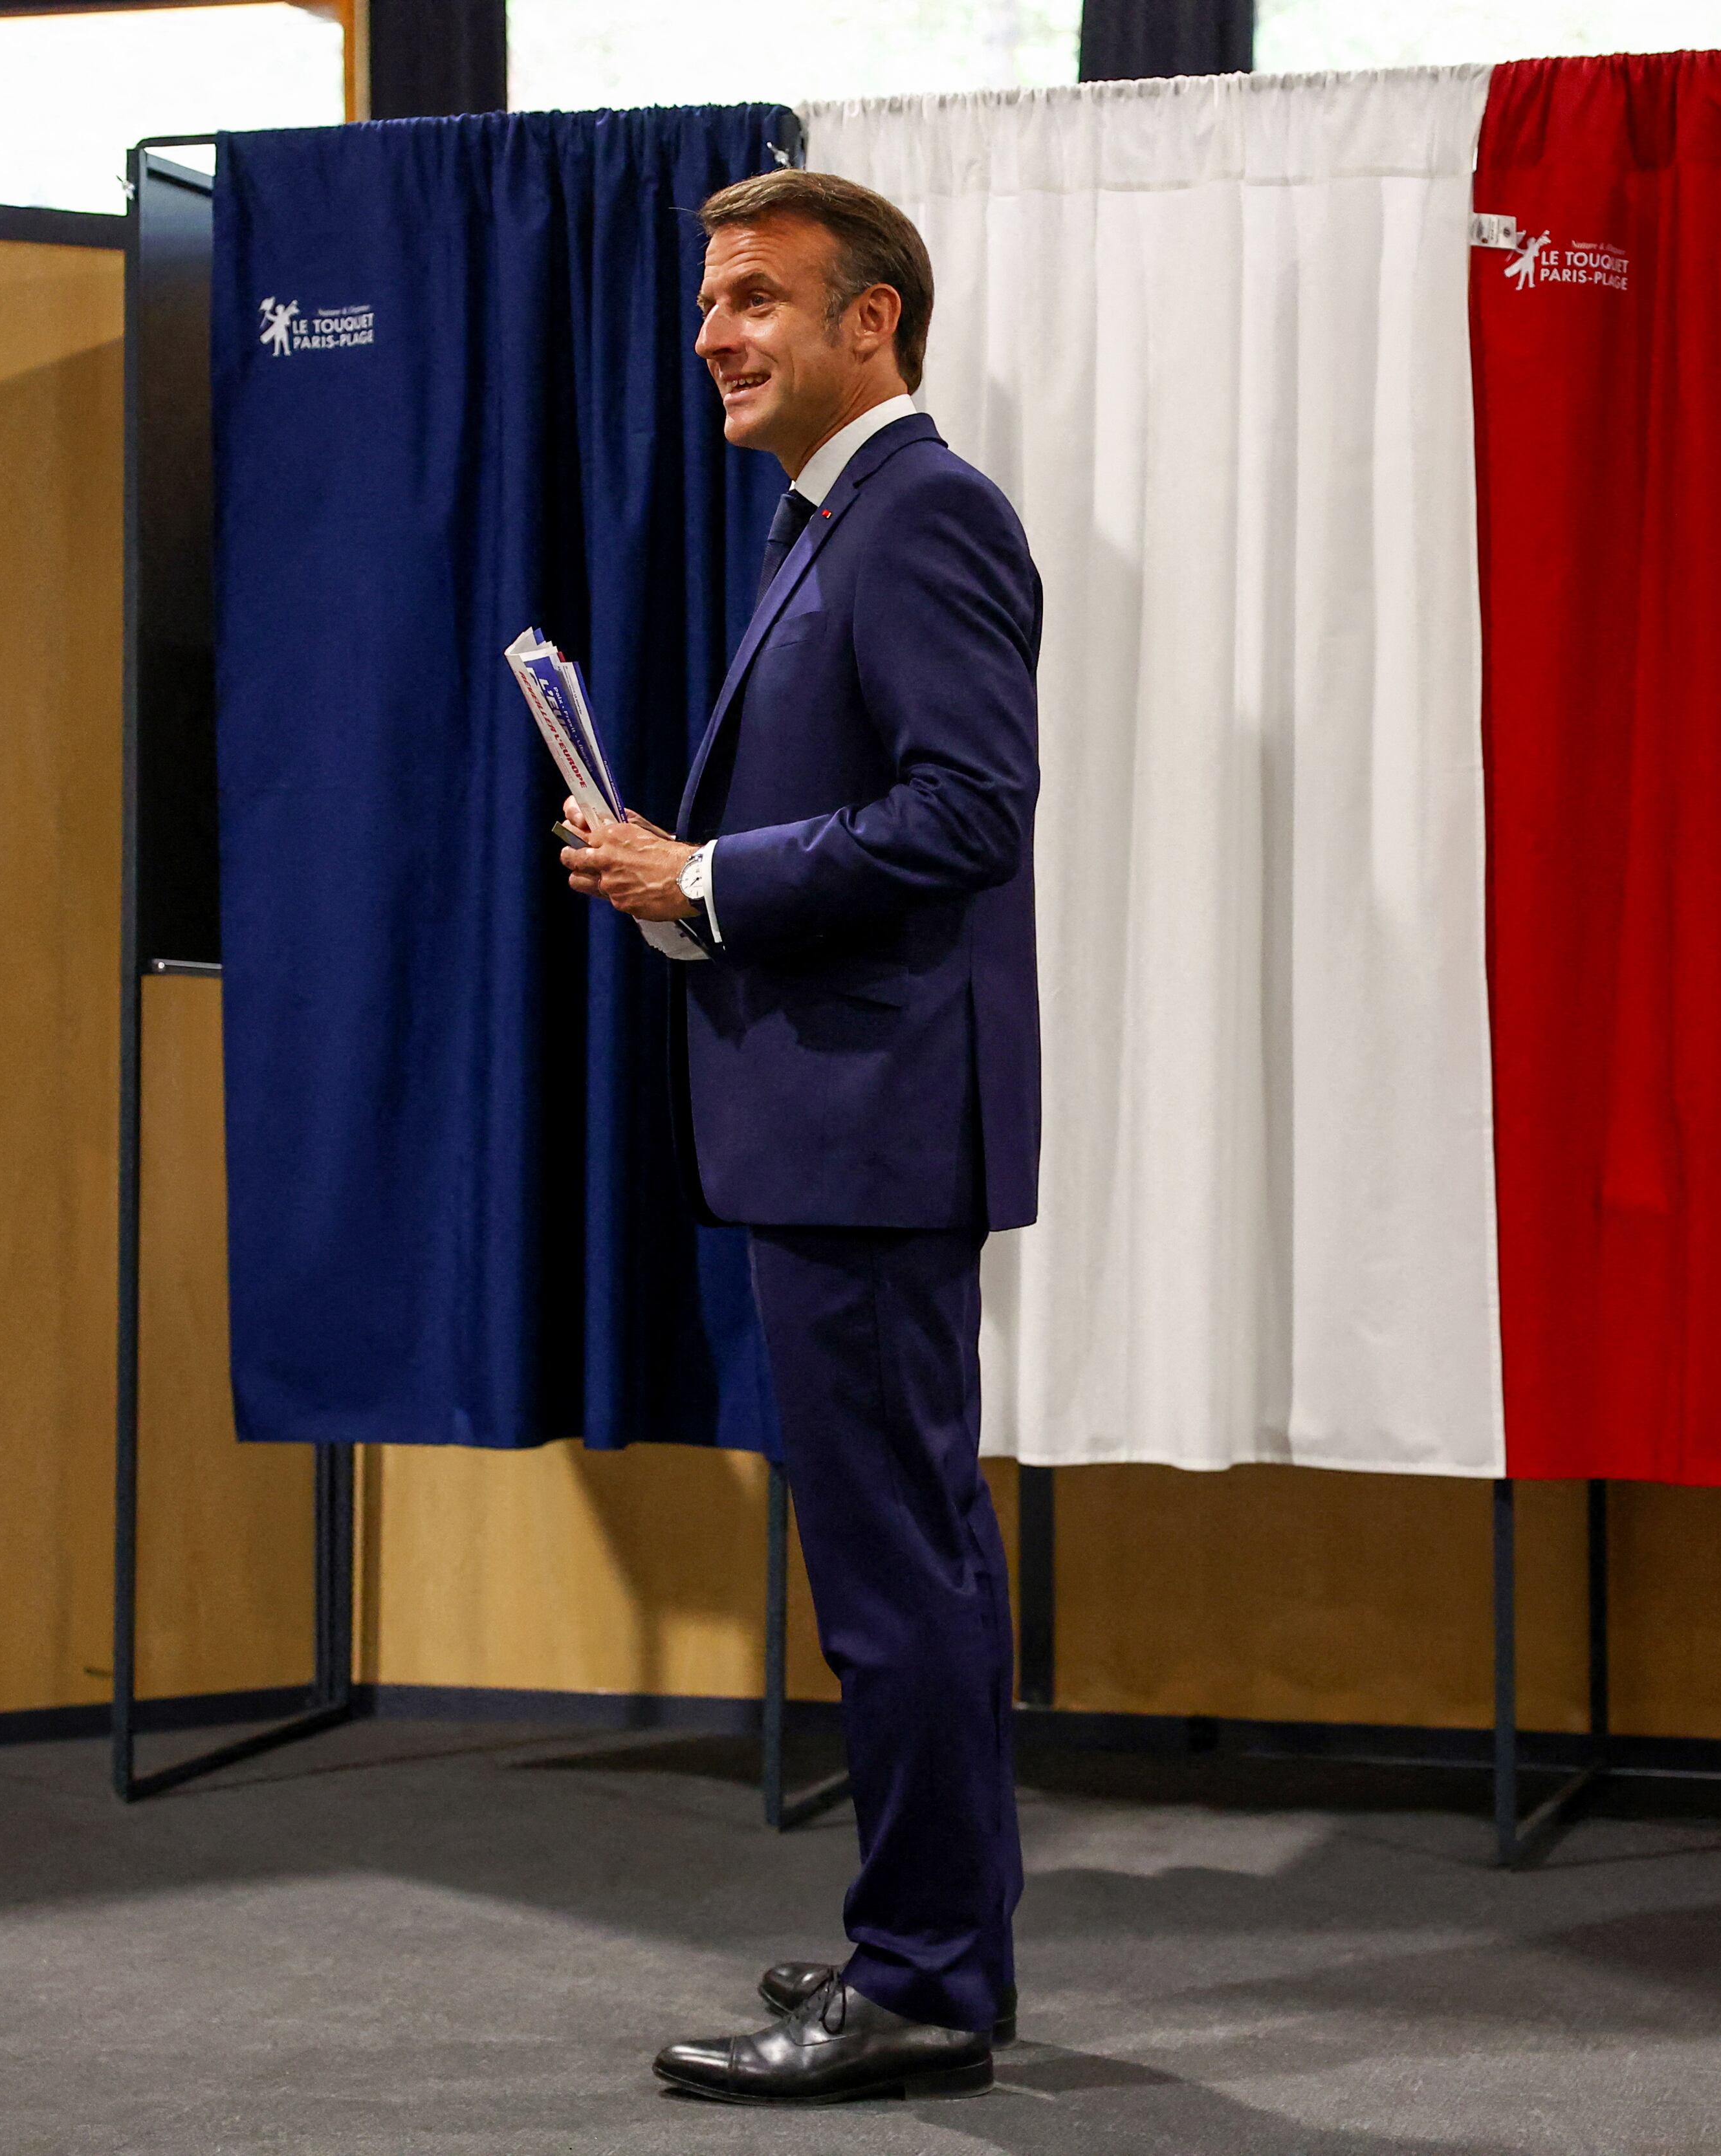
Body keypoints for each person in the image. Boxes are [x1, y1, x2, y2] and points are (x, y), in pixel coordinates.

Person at [560, 168, 1043, 2107]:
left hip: (870, 1136)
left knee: (895, 1576)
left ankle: (921, 1979)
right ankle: (937, 1951)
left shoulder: (926, 517)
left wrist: (712, 873)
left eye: (756, 300)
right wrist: (677, 895)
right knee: (910, 1563)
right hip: (835, 1130)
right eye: (707, 309)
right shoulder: (835, 522)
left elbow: (964, 814)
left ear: (875, 322)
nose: (715, 337)